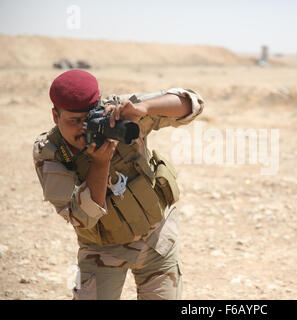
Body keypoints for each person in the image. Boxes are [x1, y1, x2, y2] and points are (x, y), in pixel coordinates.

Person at [32, 69, 204, 300]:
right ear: (55, 116)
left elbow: (192, 103)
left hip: (156, 239)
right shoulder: (51, 152)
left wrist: (145, 109)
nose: (84, 129)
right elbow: (79, 217)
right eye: (74, 121)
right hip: (101, 250)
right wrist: (101, 164)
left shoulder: (118, 113)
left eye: (89, 119)